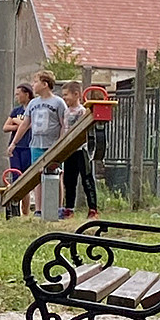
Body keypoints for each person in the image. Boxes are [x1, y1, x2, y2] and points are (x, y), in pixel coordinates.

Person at [14, 70, 68, 214]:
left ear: (45, 84)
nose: (33, 85)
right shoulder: (33, 103)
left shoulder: (58, 102)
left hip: (53, 145)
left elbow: (63, 123)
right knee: (38, 175)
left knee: (57, 174)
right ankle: (38, 208)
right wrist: (14, 142)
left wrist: (61, 142)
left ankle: (58, 207)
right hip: (36, 144)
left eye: (36, 82)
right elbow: (25, 124)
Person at [59, 81, 99, 218]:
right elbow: (64, 129)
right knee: (69, 180)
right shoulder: (66, 112)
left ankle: (93, 208)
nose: (64, 97)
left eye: (66, 95)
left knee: (86, 178)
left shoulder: (82, 111)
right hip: (69, 150)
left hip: (81, 150)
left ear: (76, 94)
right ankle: (69, 208)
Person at [3, 82, 34, 217]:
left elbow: (31, 125)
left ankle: (26, 211)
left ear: (27, 94)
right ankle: (16, 210)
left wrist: (17, 122)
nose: (17, 97)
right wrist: (19, 125)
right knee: (16, 177)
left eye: (18, 94)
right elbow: (5, 127)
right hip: (16, 148)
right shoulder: (16, 111)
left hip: (28, 147)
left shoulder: (33, 108)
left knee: (25, 179)